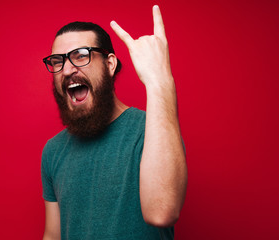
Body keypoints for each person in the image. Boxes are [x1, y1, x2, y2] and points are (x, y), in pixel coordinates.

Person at [41, 5, 187, 240]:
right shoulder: (53, 150)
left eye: (80, 55)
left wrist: (159, 80)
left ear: (109, 64)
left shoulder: (152, 130)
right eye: (58, 61)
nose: (67, 69)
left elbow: (163, 212)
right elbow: (53, 235)